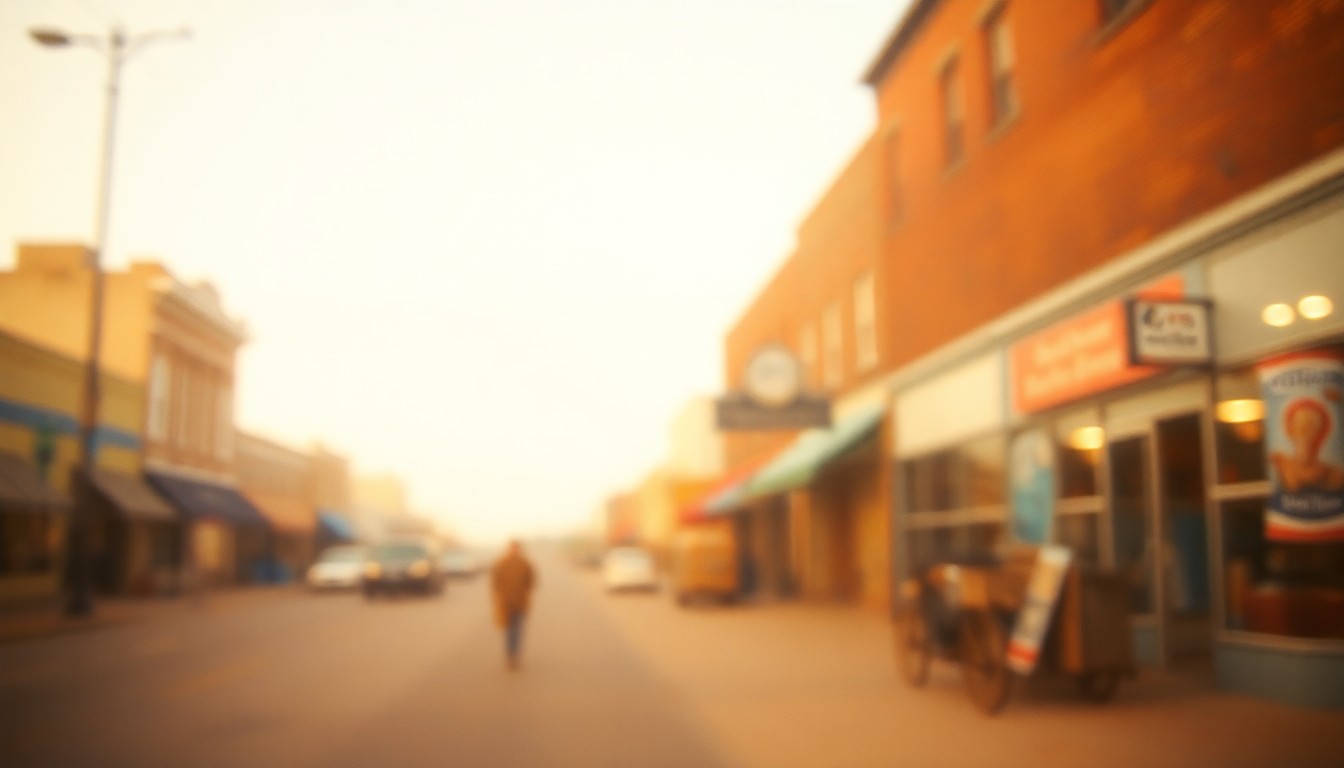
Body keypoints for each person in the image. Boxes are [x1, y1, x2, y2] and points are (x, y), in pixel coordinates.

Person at [490, 539, 536, 670]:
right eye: (512, 548)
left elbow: (531, 581)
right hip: (505, 603)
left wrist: (525, 594)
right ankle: (510, 655)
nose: (514, 551)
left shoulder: (525, 564)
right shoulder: (500, 563)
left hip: (521, 602)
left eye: (516, 548)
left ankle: (515, 655)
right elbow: (495, 583)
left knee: (518, 630)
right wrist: (497, 600)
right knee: (509, 630)